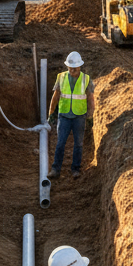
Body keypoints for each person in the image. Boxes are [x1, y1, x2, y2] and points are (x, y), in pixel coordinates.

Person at [47, 51, 94, 181]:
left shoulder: (86, 79)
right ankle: (55, 169)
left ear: (80, 66)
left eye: (75, 68)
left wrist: (90, 115)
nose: (73, 70)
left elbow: (91, 99)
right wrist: (51, 113)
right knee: (60, 143)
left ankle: (75, 169)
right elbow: (55, 97)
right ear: (67, 66)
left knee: (78, 144)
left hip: (79, 116)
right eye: (70, 67)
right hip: (64, 116)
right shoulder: (61, 77)